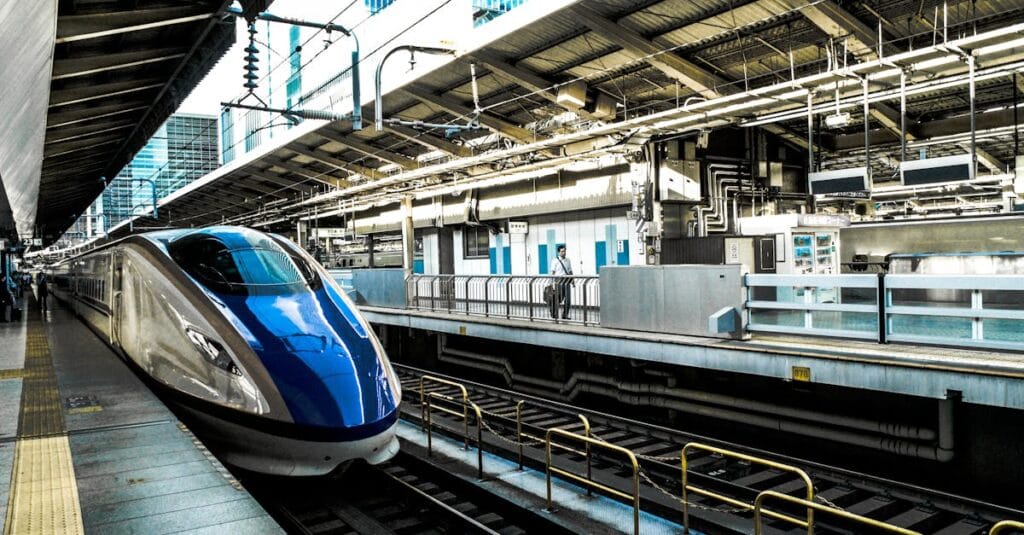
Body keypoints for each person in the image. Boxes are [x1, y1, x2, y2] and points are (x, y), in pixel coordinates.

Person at [549, 245, 573, 319]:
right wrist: (551, 283)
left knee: (568, 300)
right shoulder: (555, 261)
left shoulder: (568, 260)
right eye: (562, 251)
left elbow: (570, 271)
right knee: (558, 299)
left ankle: (565, 315)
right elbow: (553, 272)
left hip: (567, 281)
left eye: (564, 251)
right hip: (558, 282)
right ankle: (553, 312)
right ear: (558, 252)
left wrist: (573, 280)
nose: (564, 253)